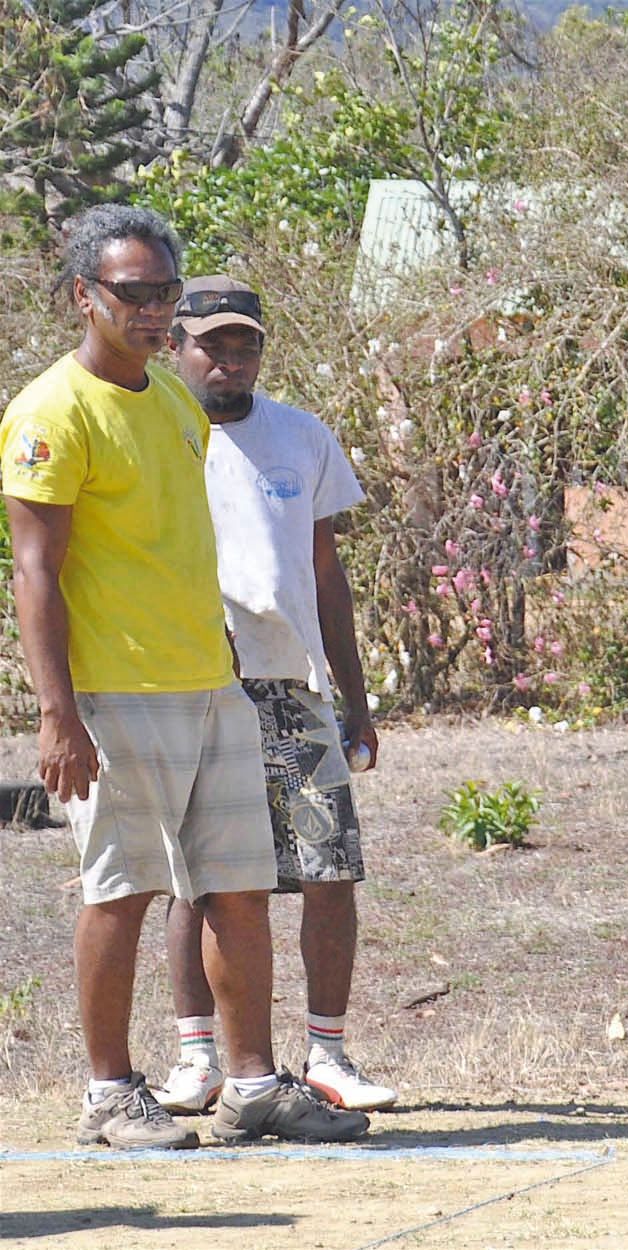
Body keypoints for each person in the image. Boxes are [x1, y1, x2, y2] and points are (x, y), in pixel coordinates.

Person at [0, 206, 367, 1147]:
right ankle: (110, 1094)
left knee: (235, 888)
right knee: (119, 892)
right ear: (84, 295)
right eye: (134, 292)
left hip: (213, 686)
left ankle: (251, 1085)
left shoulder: (170, 401)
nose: (155, 310)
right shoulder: (50, 412)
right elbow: (35, 573)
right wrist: (58, 713)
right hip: (114, 697)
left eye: (165, 291)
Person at [149, 276, 394, 1115]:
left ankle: (326, 1052)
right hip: (193, 683)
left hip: (294, 686)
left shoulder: (301, 435)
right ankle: (198, 1058)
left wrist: (353, 698)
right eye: (212, 343)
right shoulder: (157, 430)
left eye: (244, 343)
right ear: (175, 344)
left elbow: (325, 571)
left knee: (331, 871)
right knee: (203, 882)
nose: (229, 359)